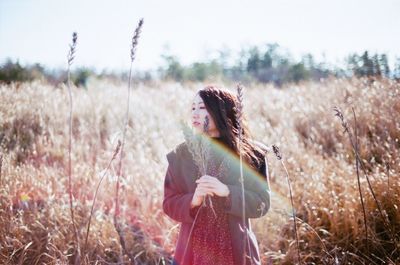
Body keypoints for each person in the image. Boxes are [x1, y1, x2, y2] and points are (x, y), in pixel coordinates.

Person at [163, 85, 271, 265]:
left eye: (202, 107)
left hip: (238, 253)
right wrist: (193, 200)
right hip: (191, 254)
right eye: (193, 108)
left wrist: (228, 192)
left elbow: (262, 203)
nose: (195, 114)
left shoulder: (251, 154)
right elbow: (168, 203)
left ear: (222, 111)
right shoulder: (181, 155)